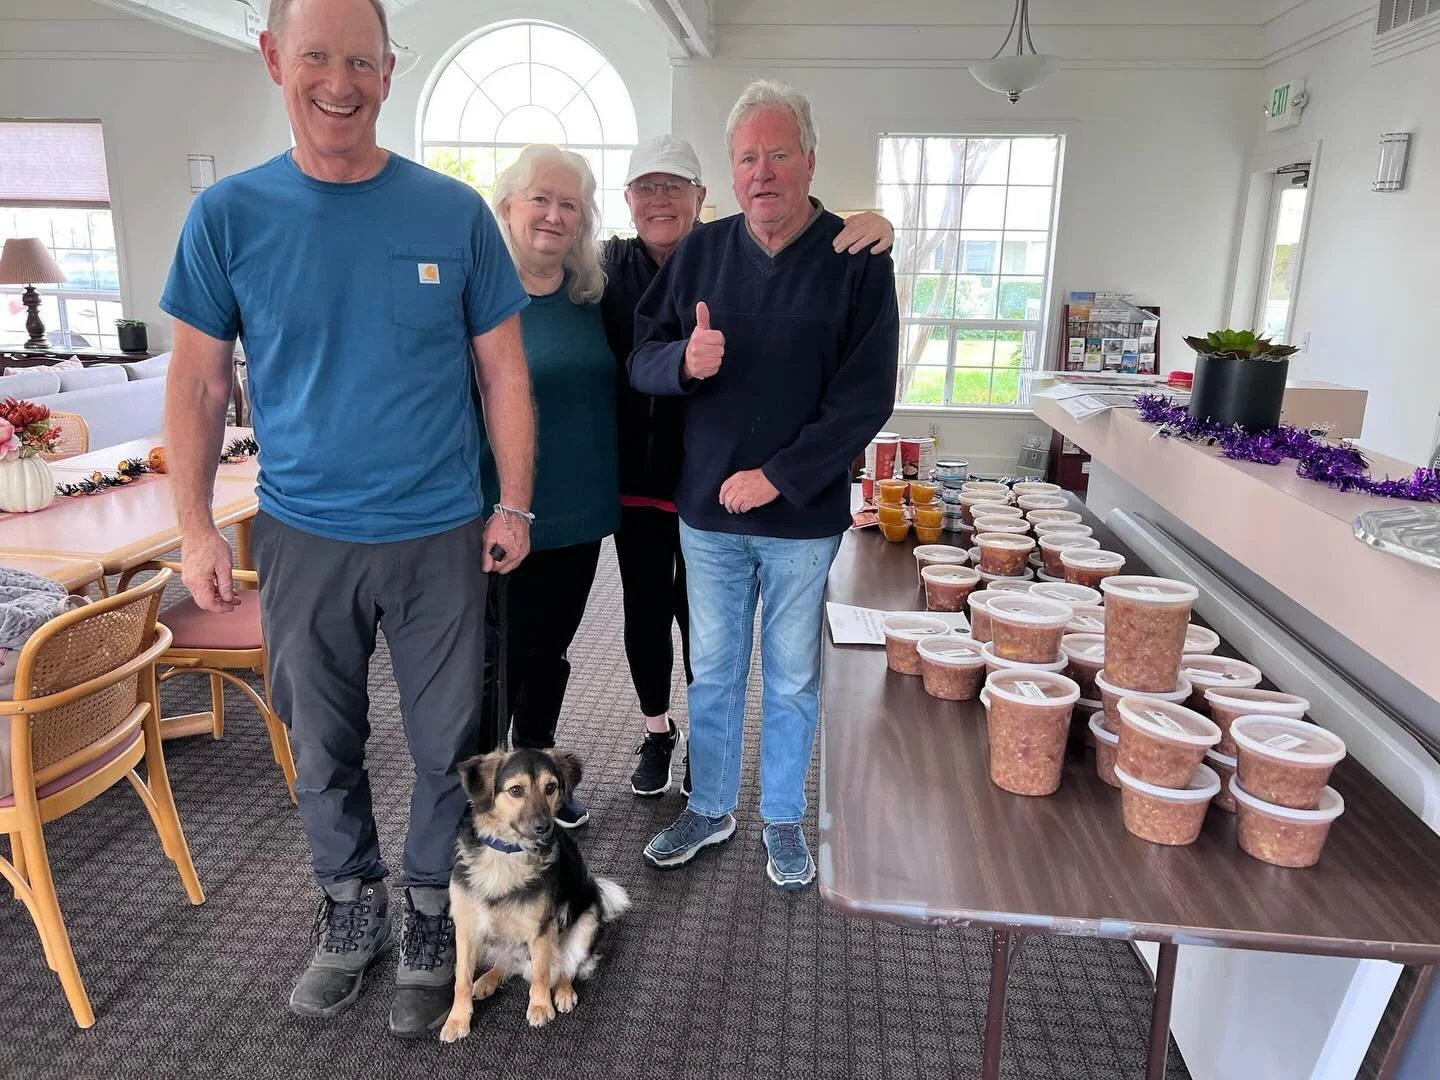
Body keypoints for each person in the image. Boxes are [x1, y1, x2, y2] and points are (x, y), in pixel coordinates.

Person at [159, 0, 535, 1038]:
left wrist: (513, 499)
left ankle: (424, 912)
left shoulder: (452, 214)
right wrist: (196, 528)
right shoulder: (230, 216)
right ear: (275, 58)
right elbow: (196, 383)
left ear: (390, 70)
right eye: (316, 56)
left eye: (361, 61)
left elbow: (503, 371)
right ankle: (349, 907)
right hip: (302, 534)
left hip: (438, 533)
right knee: (319, 739)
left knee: (446, 739)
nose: (340, 81)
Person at [629, 80, 899, 890]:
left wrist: (778, 477)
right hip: (706, 517)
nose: (762, 172)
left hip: (802, 519)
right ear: (731, 171)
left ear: (810, 159)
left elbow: (865, 398)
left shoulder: (855, 258)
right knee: (711, 671)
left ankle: (783, 816)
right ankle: (710, 806)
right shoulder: (702, 252)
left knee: (790, 676)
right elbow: (643, 354)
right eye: (747, 157)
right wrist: (682, 362)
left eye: (779, 154)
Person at [480, 145, 619, 828]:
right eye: (540, 198)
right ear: (507, 204)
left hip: (581, 512)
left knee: (549, 653)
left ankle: (534, 780)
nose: (554, 214)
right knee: (494, 658)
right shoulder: (477, 295)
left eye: (570, 203)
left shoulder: (595, 293)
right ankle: (483, 791)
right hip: (502, 512)